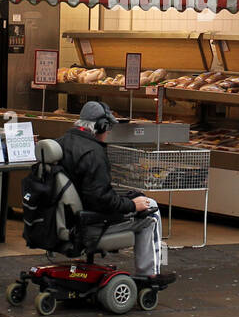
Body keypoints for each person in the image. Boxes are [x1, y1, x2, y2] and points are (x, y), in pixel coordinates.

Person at [56, 101, 172, 280]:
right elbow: (100, 199)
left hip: (66, 219)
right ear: (100, 126)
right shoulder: (94, 153)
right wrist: (131, 205)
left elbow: (93, 192)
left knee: (139, 201)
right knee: (151, 211)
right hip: (89, 224)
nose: (108, 132)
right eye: (108, 128)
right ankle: (150, 276)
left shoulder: (61, 142)